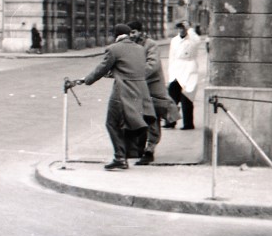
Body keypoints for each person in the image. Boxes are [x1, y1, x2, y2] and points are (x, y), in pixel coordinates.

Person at [81, 23, 154, 170]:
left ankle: (120, 158)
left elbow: (102, 68)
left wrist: (86, 80)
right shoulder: (140, 49)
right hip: (140, 92)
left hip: (122, 91)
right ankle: (128, 153)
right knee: (128, 122)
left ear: (116, 35)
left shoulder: (113, 49)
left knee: (112, 123)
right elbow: (129, 68)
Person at [126, 21, 180, 165]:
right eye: (129, 33)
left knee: (152, 119)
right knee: (137, 117)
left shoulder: (150, 45)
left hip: (152, 87)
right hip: (137, 88)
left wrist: (134, 76)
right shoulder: (130, 45)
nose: (131, 35)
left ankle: (149, 151)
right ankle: (138, 148)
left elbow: (152, 65)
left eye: (133, 32)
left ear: (140, 31)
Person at [166, 20, 201, 130]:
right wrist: (170, 72)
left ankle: (188, 124)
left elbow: (197, 41)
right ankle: (170, 121)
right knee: (172, 97)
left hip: (189, 69)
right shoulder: (174, 40)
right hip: (176, 69)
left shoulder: (192, 39)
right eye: (180, 28)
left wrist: (190, 29)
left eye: (184, 28)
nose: (181, 30)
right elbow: (171, 56)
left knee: (187, 97)